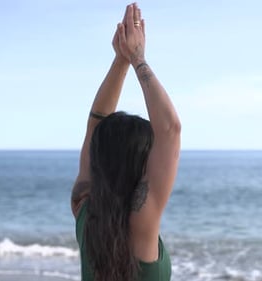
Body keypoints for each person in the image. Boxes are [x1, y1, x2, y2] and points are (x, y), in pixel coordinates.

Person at [70, 3, 181, 281]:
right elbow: (170, 129)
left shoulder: (85, 210)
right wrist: (137, 58)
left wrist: (121, 61)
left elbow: (96, 125)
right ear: (140, 162)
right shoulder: (142, 224)